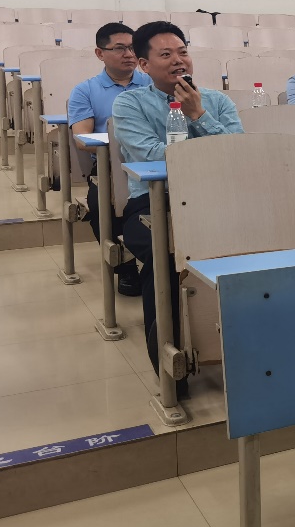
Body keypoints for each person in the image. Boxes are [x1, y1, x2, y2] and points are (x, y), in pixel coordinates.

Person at [110, 21, 243, 386]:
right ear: (144, 64)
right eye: (166, 54)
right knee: (164, 256)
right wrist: (207, 147)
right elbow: (153, 155)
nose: (178, 60)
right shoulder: (129, 103)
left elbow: (238, 151)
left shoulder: (216, 101)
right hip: (155, 204)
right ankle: (171, 371)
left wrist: (199, 114)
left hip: (216, 199)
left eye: (183, 52)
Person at [67, 22, 153, 297]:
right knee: (100, 202)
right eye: (120, 48)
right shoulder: (85, 90)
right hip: (109, 164)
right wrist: (124, 144)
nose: (129, 54)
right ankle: (124, 266)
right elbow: (82, 138)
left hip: (152, 159)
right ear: (100, 53)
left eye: (132, 48)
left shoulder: (153, 83)